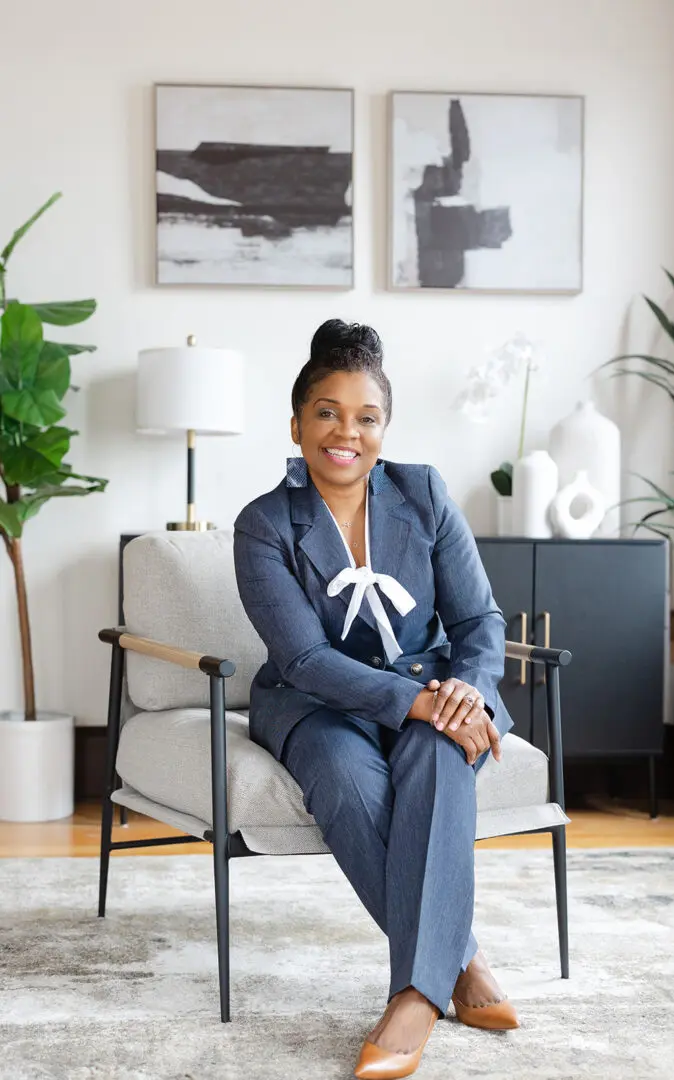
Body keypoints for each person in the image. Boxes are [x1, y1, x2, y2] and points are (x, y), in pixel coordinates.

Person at [233, 319, 519, 1080]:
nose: (345, 434)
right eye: (327, 412)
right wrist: (415, 701)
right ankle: (454, 963)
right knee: (349, 779)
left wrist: (463, 690)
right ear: (296, 423)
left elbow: (478, 620)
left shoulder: (422, 492)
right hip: (314, 702)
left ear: (384, 429)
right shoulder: (264, 524)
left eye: (366, 417)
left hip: (434, 686)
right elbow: (302, 656)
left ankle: (412, 996)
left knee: (443, 749)